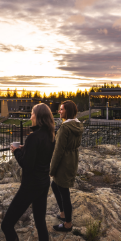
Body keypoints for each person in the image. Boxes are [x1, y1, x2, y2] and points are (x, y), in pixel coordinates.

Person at [0, 103, 55, 241]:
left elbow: (27, 165)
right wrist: (25, 149)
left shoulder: (33, 137)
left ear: (39, 117)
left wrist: (16, 152)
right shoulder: (50, 136)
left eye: (32, 114)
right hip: (43, 184)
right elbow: (38, 158)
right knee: (40, 223)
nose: (30, 117)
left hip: (30, 186)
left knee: (7, 225)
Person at [50, 100, 84, 233]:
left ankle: (68, 224)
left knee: (64, 192)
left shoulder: (65, 127)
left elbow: (59, 150)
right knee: (55, 185)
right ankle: (63, 213)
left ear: (68, 111)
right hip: (72, 159)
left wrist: (52, 169)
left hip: (64, 162)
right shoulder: (78, 125)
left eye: (62, 109)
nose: (59, 111)